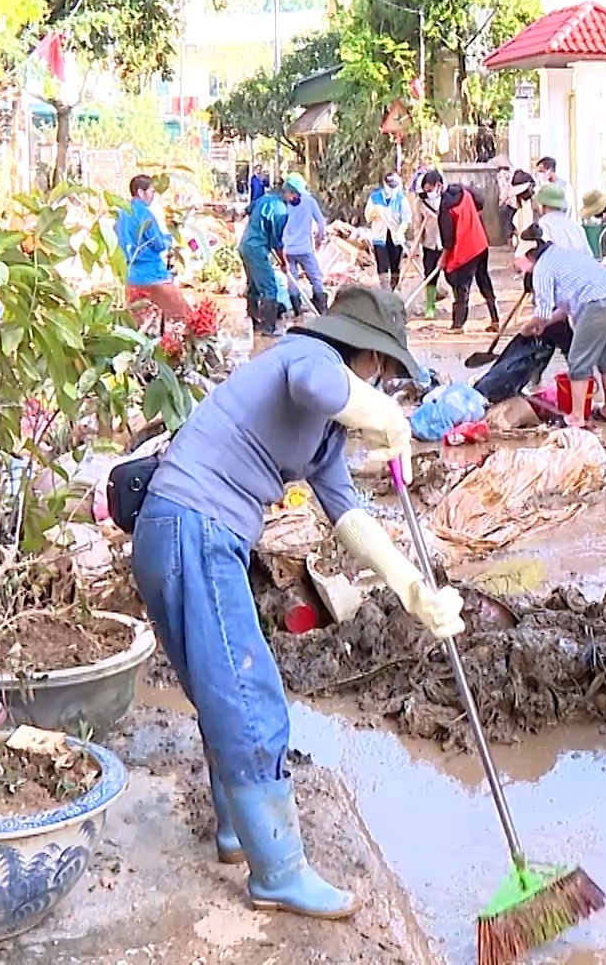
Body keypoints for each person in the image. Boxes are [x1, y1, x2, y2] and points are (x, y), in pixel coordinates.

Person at [131, 285, 464, 920]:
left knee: (220, 686)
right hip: (193, 528)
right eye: (386, 373)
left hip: (182, 533)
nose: (388, 387)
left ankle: (238, 833)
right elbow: (321, 384)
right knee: (251, 699)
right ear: (365, 357)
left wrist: (411, 587)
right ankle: (278, 872)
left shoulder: (323, 438)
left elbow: (349, 517)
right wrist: (385, 418)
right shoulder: (305, 357)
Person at [515, 184, 606, 428]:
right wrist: (544, 321)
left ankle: (577, 416)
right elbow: (563, 309)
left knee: (579, 361)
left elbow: (542, 314)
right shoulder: (563, 254)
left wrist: (527, 329)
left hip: (596, 303)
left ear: (529, 256)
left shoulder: (543, 269)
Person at [118, 174, 191, 327]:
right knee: (185, 317)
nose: (153, 196)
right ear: (140, 192)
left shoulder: (121, 214)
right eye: (151, 191)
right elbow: (158, 244)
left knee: (137, 325)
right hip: (153, 275)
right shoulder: (145, 214)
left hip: (130, 276)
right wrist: (169, 238)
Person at [437, 176, 500, 331]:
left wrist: (442, 259)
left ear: (437, 186)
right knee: (483, 279)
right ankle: (495, 319)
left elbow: (448, 239)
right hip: (479, 242)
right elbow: (479, 203)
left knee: (461, 285)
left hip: (464, 250)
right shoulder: (465, 193)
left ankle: (458, 325)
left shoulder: (446, 207)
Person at [238, 183, 291, 336]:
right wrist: (283, 261)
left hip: (245, 244)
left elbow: (248, 210)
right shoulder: (281, 211)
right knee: (270, 288)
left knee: (254, 286)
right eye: (295, 196)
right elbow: (277, 241)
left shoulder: (264, 199)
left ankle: (255, 322)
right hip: (257, 249)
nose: (295, 199)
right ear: (288, 193)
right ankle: (269, 327)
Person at [278, 174, 329, 316]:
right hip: (305, 249)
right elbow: (321, 223)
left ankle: (297, 310)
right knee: (316, 278)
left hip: (287, 249)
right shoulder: (310, 201)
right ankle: (321, 308)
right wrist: (319, 239)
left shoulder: (284, 203)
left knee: (292, 279)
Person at [407, 170, 446, 319]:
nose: (428, 191)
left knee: (453, 275)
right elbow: (417, 225)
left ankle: (458, 305)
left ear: (438, 185)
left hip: (446, 243)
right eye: (426, 188)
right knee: (429, 274)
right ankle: (430, 306)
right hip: (429, 244)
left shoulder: (446, 199)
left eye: (430, 188)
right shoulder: (420, 202)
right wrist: (415, 247)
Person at [365, 172, 409, 290]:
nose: (392, 188)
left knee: (395, 265)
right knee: (382, 265)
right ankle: (385, 290)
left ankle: (393, 289)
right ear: (384, 184)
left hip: (396, 238)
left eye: (394, 186)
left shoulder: (401, 199)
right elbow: (367, 217)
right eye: (390, 186)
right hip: (379, 237)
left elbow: (406, 220)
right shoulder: (375, 198)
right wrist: (373, 212)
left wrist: (400, 231)